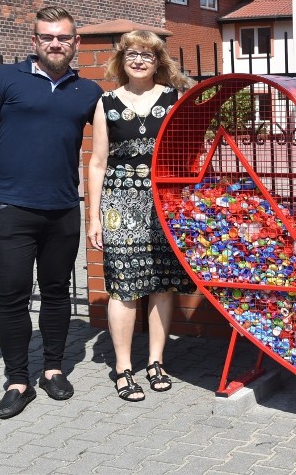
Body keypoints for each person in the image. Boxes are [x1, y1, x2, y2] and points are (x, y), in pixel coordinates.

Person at [0, 7, 103, 419]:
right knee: (12, 296)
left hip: (63, 208)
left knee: (55, 293)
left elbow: (105, 151)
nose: (55, 43)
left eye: (63, 37)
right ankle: (18, 379)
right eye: (47, 36)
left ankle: (52, 370)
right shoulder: (3, 78)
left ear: (75, 44)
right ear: (34, 41)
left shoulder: (88, 92)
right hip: (11, 207)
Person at [86, 30, 195, 401]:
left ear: (158, 61)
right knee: (124, 286)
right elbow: (98, 163)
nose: (138, 60)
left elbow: (187, 153)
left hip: (164, 202)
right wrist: (94, 217)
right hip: (120, 204)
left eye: (146, 55)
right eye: (131, 53)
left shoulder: (173, 98)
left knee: (162, 284)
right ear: (121, 59)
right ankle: (123, 368)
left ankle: (156, 362)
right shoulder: (106, 103)